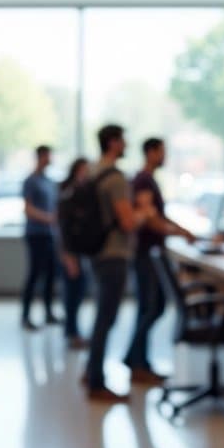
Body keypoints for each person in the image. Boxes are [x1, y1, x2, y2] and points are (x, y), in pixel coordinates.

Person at [84, 125, 154, 403]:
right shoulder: (115, 179)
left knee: (101, 316)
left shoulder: (91, 171)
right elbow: (126, 222)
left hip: (95, 252)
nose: (126, 145)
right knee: (106, 318)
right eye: (123, 140)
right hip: (114, 254)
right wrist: (144, 213)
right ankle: (97, 382)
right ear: (113, 143)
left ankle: (90, 371)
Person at [130, 138, 197, 379]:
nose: (164, 156)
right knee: (152, 307)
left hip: (151, 251)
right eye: (162, 152)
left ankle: (138, 361)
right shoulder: (143, 181)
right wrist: (178, 232)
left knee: (150, 307)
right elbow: (151, 219)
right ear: (151, 152)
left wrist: (183, 230)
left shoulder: (148, 181)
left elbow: (161, 216)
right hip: (146, 252)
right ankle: (134, 359)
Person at [21, 145, 60, 330]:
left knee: (51, 274)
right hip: (36, 234)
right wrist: (48, 218)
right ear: (40, 157)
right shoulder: (31, 181)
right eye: (47, 156)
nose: (50, 159)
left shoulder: (49, 182)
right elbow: (28, 209)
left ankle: (49, 312)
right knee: (35, 274)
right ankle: (26, 315)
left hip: (50, 234)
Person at [57, 158, 93, 351]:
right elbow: (63, 227)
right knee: (72, 293)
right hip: (70, 252)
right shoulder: (70, 193)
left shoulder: (81, 192)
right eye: (84, 170)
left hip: (78, 251)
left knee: (78, 292)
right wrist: (67, 255)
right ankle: (72, 333)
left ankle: (73, 331)